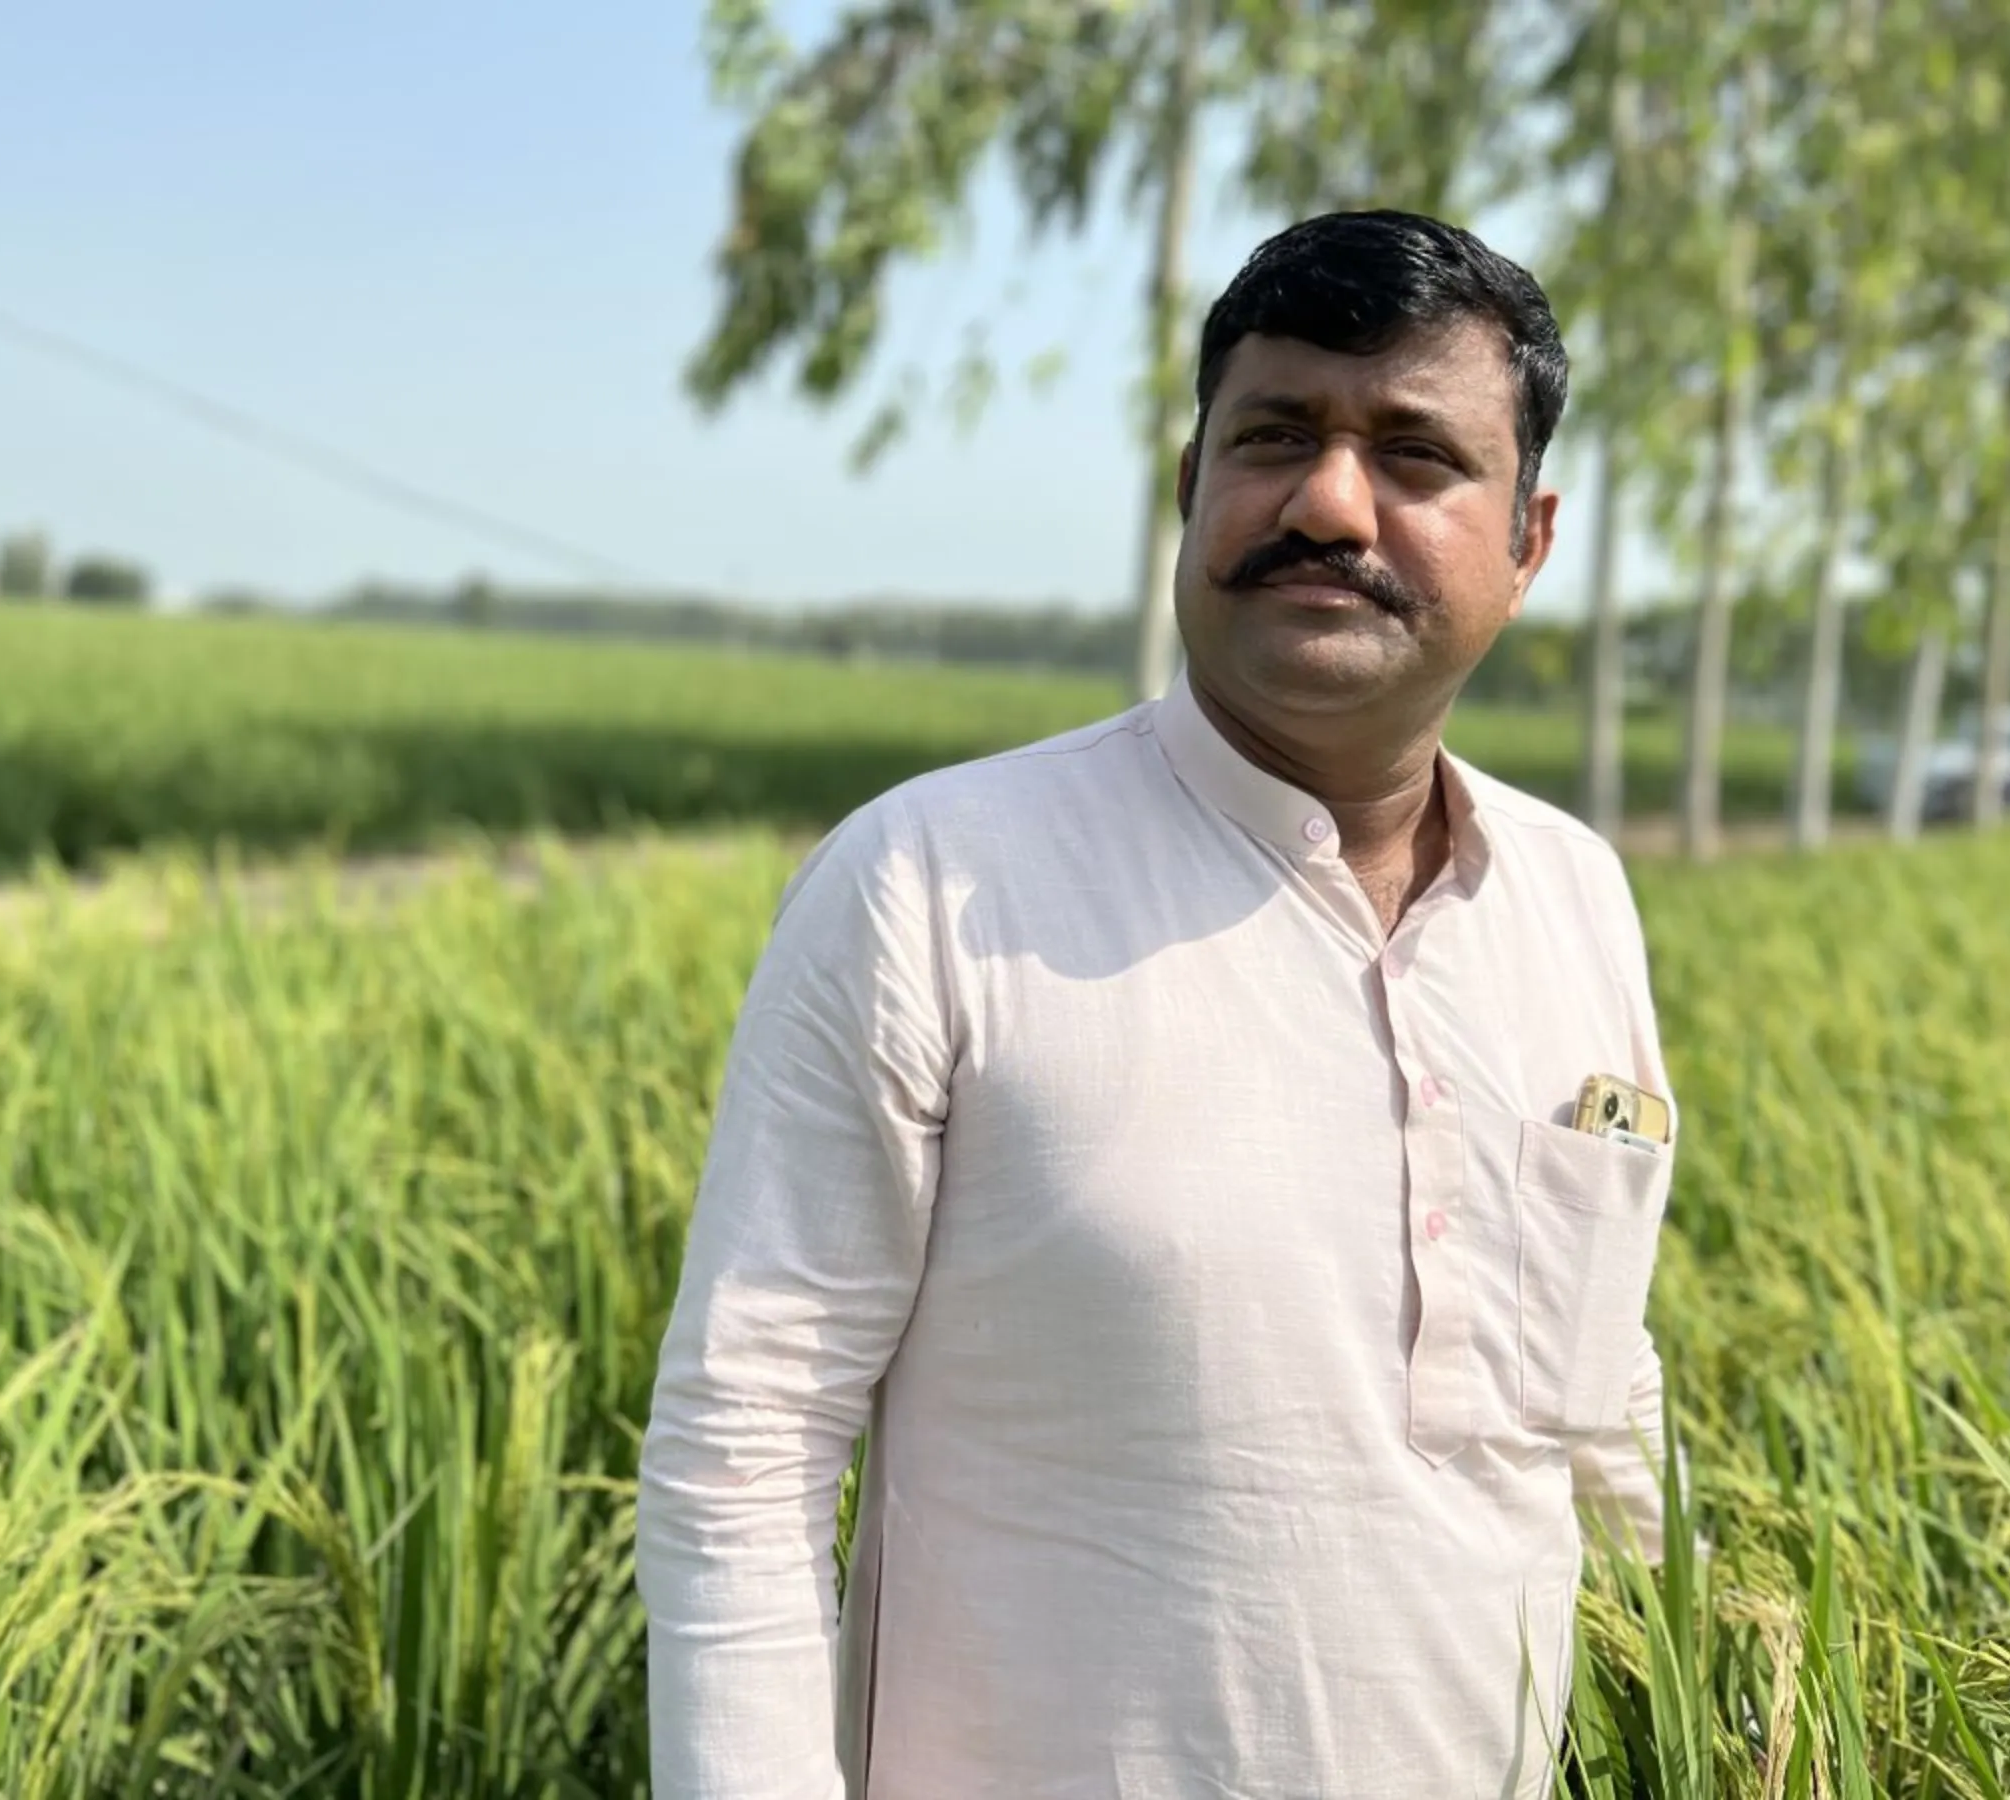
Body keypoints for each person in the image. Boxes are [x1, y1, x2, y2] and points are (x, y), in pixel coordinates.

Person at [637, 208, 1679, 1800]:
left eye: (1413, 456)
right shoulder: (929, 884)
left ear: (1528, 543)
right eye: (1273, 437)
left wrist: (1709, 1709)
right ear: (1190, 487)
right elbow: (743, 1446)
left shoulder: (1575, 897)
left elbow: (1604, 1412)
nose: (1330, 502)